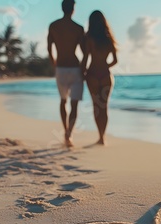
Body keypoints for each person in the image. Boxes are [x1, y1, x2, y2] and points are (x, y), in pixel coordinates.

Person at [47, 0, 85, 147]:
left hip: (61, 67)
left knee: (63, 101)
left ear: (62, 8)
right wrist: (84, 68)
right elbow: (84, 51)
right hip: (75, 67)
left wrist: (54, 63)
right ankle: (69, 133)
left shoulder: (54, 26)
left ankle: (66, 132)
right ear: (73, 9)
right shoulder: (78, 28)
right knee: (74, 104)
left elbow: (49, 47)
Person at [81, 10, 118, 146]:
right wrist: (105, 65)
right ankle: (103, 137)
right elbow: (115, 60)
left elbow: (85, 58)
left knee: (96, 107)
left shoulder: (89, 38)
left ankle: (100, 136)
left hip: (92, 75)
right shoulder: (109, 38)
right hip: (105, 75)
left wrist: (82, 73)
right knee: (104, 107)